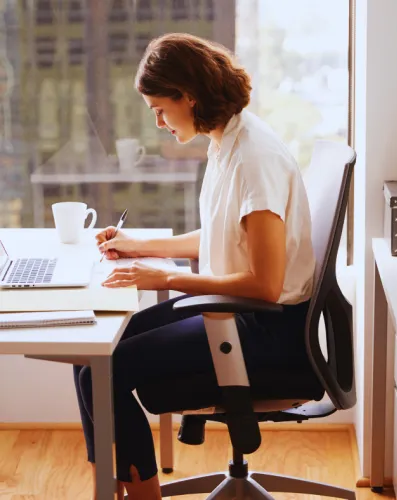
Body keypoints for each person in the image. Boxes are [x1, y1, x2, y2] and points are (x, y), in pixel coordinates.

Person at [73, 33, 318, 500]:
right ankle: (111, 487)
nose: (161, 122)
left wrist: (165, 276)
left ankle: (137, 494)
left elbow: (265, 284)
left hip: (264, 328)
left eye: (161, 109)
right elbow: (229, 236)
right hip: (233, 310)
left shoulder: (254, 159)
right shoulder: (228, 139)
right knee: (91, 354)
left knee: (104, 370)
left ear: (188, 96)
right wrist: (140, 246)